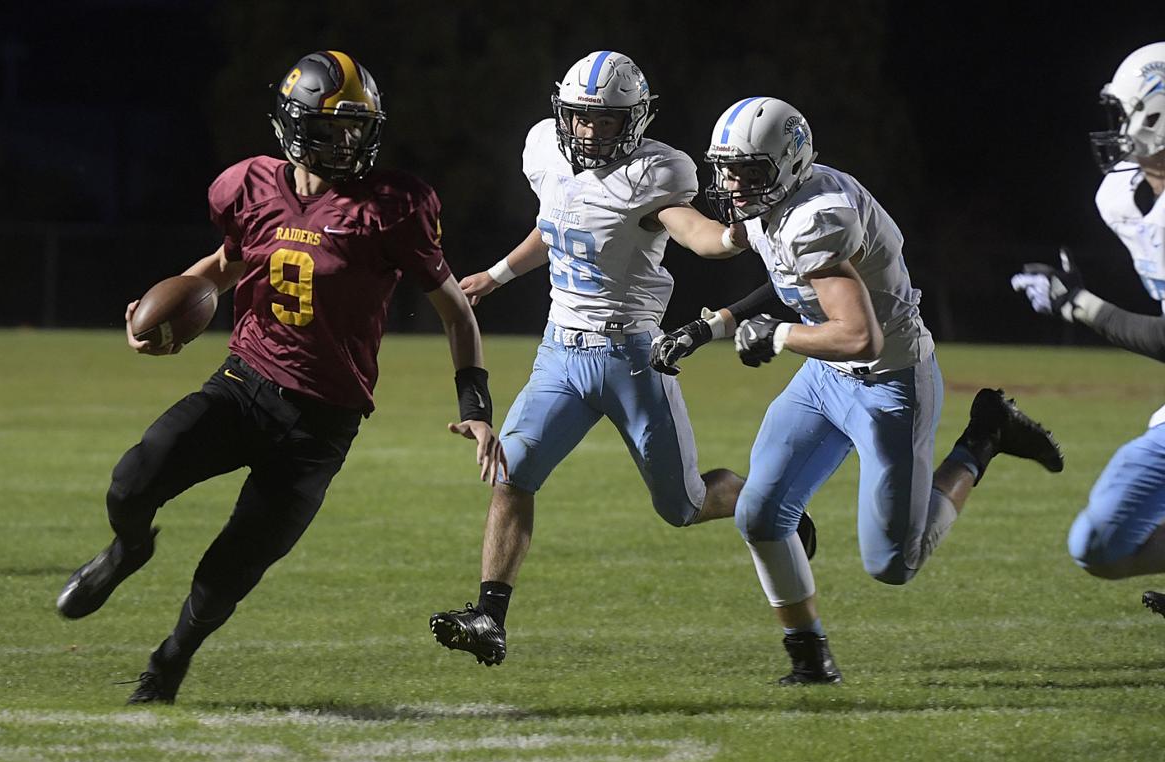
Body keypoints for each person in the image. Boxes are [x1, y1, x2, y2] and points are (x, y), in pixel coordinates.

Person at [55, 50, 505, 703]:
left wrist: (476, 403)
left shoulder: (391, 208)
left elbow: (456, 313)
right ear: (297, 125)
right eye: (337, 125)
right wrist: (156, 308)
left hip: (321, 425)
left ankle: (167, 666)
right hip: (244, 386)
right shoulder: (250, 186)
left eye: (360, 125)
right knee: (132, 480)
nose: (352, 139)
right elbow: (222, 265)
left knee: (227, 571)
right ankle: (127, 550)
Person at [651, 96, 1065, 684]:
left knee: (894, 562)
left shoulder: (819, 215)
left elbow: (859, 336)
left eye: (749, 171)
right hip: (826, 379)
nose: (735, 184)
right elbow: (780, 272)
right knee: (761, 515)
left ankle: (983, 439)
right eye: (729, 168)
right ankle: (810, 658)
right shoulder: (784, 198)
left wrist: (779, 336)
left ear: (787, 165)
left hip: (889, 382)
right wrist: (714, 325)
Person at [428, 51, 814, 667]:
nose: (590, 133)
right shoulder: (545, 152)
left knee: (682, 506)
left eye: (608, 122)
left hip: (632, 357)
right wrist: (498, 275)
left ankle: (770, 505)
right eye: (582, 118)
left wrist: (739, 229)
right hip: (560, 351)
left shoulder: (657, 173)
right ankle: (490, 616)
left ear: (633, 121)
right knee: (512, 474)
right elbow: (557, 224)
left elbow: (699, 237)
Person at [1011, 42, 1165, 618]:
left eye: (1122, 114)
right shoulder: (1122, 197)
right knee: (1098, 545)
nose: (1116, 130)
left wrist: (1078, 306)